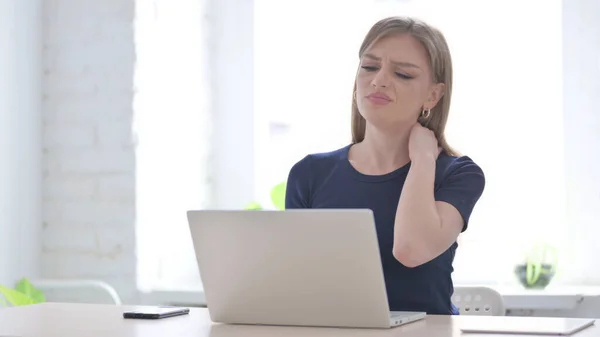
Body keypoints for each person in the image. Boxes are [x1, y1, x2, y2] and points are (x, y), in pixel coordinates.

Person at [284, 16, 485, 315]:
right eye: (369, 67)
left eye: (403, 74)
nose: (378, 80)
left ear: (433, 95)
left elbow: (411, 250)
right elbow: (297, 281)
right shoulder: (310, 174)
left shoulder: (458, 174)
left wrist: (423, 159)